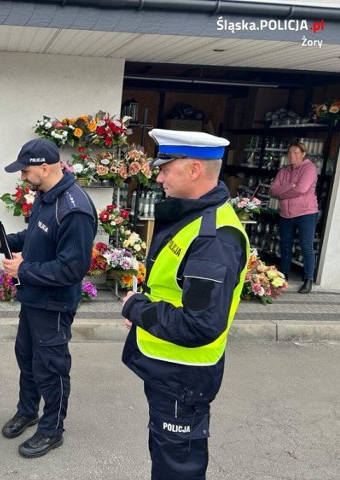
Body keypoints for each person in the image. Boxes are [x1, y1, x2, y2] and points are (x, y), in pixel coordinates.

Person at [120, 129, 249, 480]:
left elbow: (200, 325)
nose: (158, 176)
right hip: (170, 369)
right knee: (166, 458)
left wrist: (137, 308)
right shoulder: (193, 218)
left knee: (177, 469)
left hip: (183, 376)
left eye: (165, 168)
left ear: (194, 169)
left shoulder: (215, 239)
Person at [0, 138, 97, 458]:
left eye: (25, 171)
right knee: (27, 358)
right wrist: (1, 240)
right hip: (33, 299)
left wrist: (24, 270)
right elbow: (36, 237)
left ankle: (52, 429)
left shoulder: (75, 210)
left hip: (54, 304)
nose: (21, 177)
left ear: (45, 168)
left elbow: (72, 269)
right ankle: (28, 410)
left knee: (51, 367)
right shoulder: (46, 196)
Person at [269, 141, 318, 294]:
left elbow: (302, 189)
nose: (292, 156)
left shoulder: (309, 168)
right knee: (285, 246)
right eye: (290, 153)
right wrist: (291, 186)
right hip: (286, 214)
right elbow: (273, 190)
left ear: (303, 154)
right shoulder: (284, 171)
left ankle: (308, 279)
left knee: (306, 246)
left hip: (306, 213)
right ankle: (283, 276)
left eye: (296, 153)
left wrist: (283, 192)